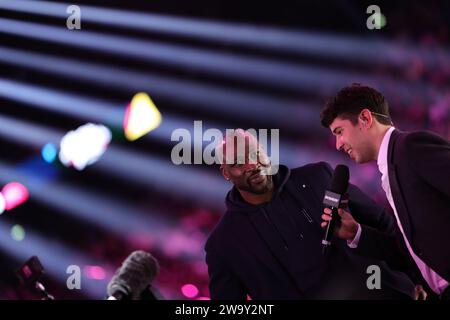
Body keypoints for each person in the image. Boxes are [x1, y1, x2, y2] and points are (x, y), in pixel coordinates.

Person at [205, 129, 417, 299]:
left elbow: (382, 222)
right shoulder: (223, 244)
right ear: (226, 173)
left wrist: (417, 278)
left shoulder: (318, 177)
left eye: (255, 153)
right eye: (239, 163)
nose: (252, 165)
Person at [320, 84, 450, 299]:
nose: (338, 144)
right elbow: (409, 251)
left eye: (339, 132)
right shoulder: (391, 167)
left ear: (365, 118)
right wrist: (356, 233)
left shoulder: (411, 147)